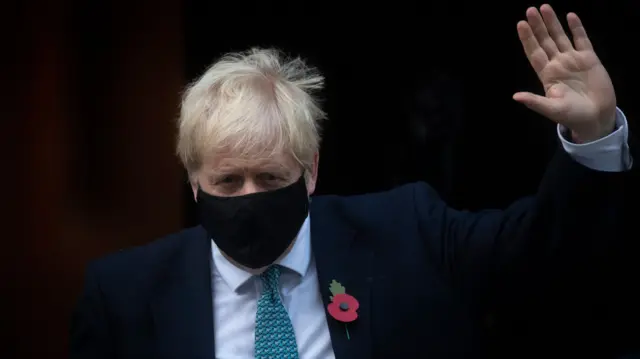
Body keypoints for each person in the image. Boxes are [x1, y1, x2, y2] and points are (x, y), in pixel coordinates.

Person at [70, 4, 637, 359]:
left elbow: (546, 254)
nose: (249, 198)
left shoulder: (408, 233)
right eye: (227, 180)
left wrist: (591, 136)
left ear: (310, 170)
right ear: (194, 182)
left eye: (270, 176)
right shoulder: (124, 296)